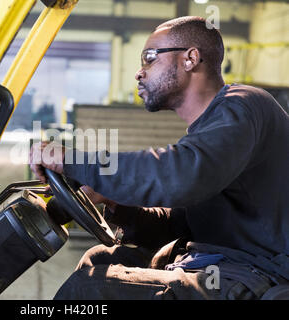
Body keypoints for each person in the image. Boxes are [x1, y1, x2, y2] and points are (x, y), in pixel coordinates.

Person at [29, 16, 289, 300]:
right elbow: (177, 225)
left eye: (150, 58)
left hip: (257, 273)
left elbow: (178, 175)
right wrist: (115, 202)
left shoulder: (243, 105)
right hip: (215, 265)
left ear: (190, 58)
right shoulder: (207, 135)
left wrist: (73, 161)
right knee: (99, 260)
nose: (140, 73)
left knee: (88, 288)